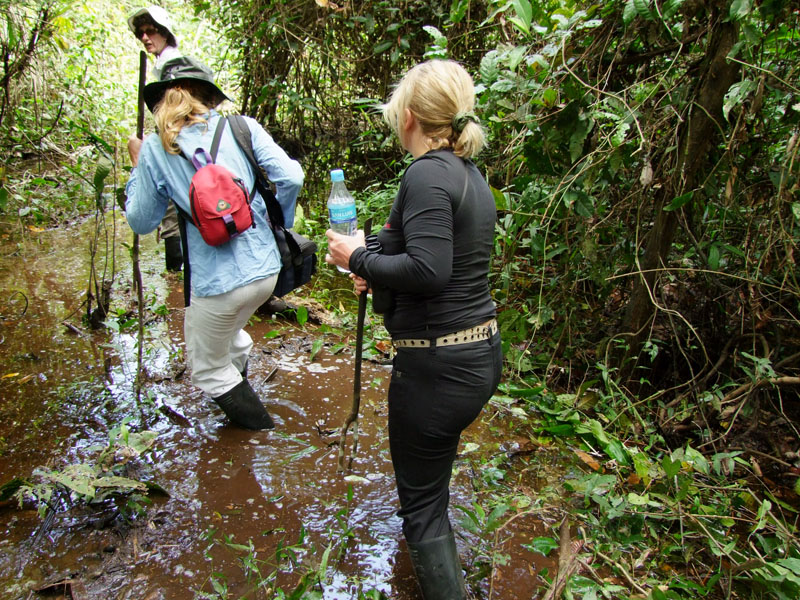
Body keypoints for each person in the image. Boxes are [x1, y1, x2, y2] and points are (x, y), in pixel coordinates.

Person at [325, 59, 502, 600]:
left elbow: (429, 270)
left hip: (436, 369)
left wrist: (357, 258)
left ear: (408, 116)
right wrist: (373, 265)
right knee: (433, 486)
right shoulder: (468, 175)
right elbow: (432, 263)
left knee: (421, 508)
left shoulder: (426, 173)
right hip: (475, 358)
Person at [125, 56, 304, 430]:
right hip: (267, 271)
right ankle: (237, 387)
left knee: (206, 368)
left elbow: (141, 221)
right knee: (230, 332)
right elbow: (291, 177)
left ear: (161, 102)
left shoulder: (157, 149)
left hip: (217, 283)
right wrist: (279, 224)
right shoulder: (242, 127)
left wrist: (137, 165)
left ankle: (261, 436)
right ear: (209, 98)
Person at [127, 5, 184, 271]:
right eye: (141, 34)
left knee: (172, 211)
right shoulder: (164, 62)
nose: (146, 38)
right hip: (175, 144)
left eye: (151, 32)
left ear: (164, 32)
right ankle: (178, 275)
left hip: (177, 146)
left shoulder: (171, 65)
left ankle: (175, 274)